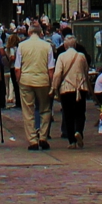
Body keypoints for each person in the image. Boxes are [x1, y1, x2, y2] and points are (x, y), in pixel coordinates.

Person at [14, 22, 56, 151]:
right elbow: (51, 68)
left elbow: (17, 67)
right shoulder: (47, 46)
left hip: (26, 79)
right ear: (41, 33)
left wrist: (19, 80)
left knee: (28, 110)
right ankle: (43, 136)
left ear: (29, 32)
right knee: (45, 109)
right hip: (43, 80)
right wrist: (52, 84)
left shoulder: (22, 46)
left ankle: (32, 140)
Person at [52, 34, 90, 146]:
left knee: (68, 114)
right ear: (75, 45)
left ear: (65, 46)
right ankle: (79, 131)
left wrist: (54, 87)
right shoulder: (81, 56)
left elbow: (58, 74)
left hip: (66, 88)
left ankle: (71, 141)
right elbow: (86, 71)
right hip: (81, 87)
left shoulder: (61, 57)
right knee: (80, 112)